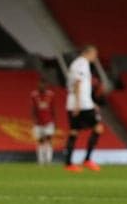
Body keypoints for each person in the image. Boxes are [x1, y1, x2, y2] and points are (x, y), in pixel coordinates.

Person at [64, 45, 103, 173]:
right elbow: (77, 82)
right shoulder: (82, 63)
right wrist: (78, 104)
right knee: (98, 128)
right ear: (88, 53)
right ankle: (87, 159)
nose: (95, 57)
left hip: (78, 102)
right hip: (82, 104)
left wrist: (91, 102)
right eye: (95, 54)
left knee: (74, 131)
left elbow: (83, 86)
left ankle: (68, 163)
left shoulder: (78, 63)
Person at [29, 78, 56, 165]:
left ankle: (48, 160)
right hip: (38, 123)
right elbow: (33, 109)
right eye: (40, 84)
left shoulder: (51, 95)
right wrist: (34, 120)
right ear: (38, 85)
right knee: (40, 141)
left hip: (49, 122)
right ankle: (41, 161)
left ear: (46, 85)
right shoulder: (34, 95)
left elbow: (53, 109)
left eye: (44, 84)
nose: (42, 86)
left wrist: (54, 121)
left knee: (48, 140)